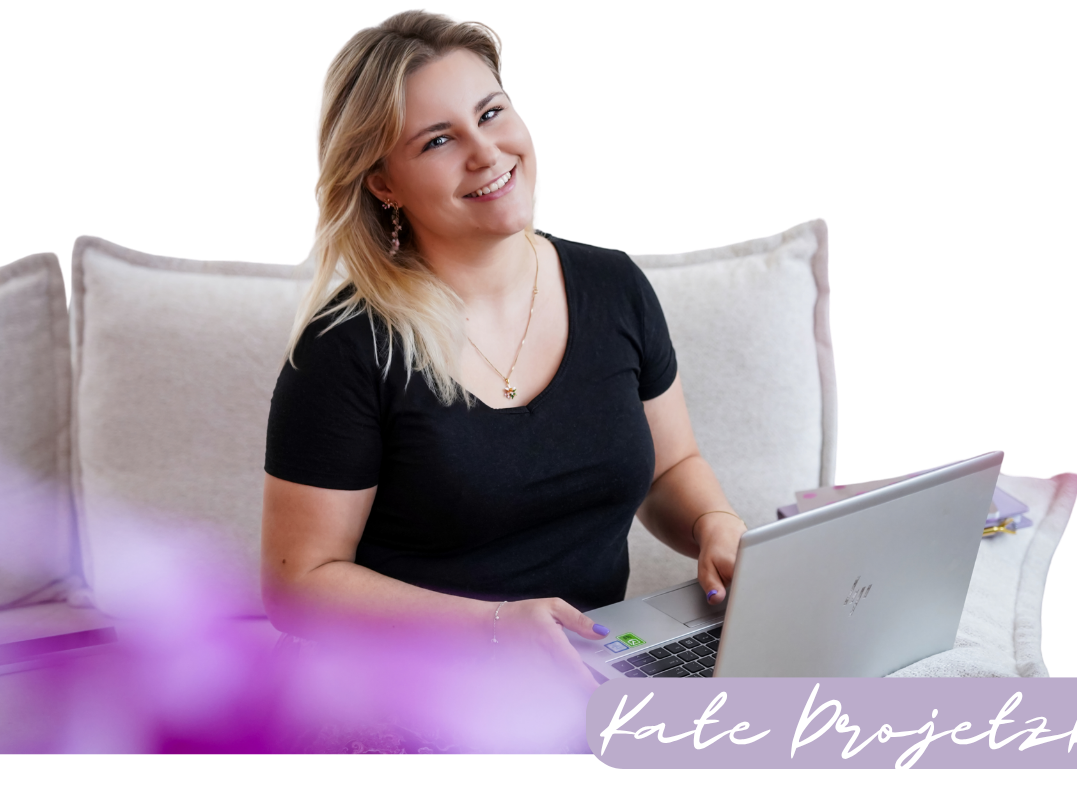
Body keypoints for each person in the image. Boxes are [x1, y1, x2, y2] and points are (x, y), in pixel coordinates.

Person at [260, 10, 748, 701]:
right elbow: (298, 585)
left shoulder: (614, 286)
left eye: (491, 113)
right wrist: (492, 627)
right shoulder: (345, 348)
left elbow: (671, 467)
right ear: (383, 183)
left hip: (592, 675)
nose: (486, 153)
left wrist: (713, 523)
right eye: (438, 140)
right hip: (410, 694)